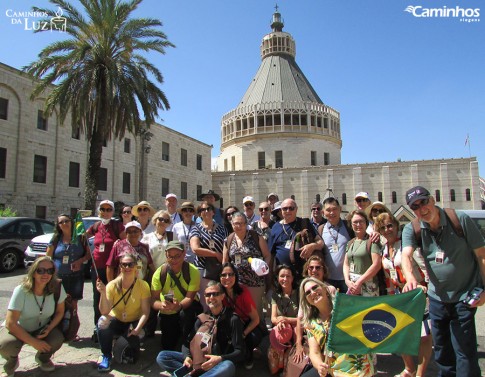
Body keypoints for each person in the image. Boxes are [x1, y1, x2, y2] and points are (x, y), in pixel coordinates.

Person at [401, 186, 485, 377]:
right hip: (437, 299)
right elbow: (406, 255)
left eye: (423, 202)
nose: (422, 209)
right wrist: (411, 277)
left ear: (432, 200)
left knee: (464, 351)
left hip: (464, 296)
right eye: (415, 206)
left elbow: (481, 255)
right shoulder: (412, 228)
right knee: (443, 353)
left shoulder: (459, 220)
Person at [375, 212, 432, 377]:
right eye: (383, 227)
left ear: (396, 225)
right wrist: (391, 296)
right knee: (399, 333)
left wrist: (425, 286)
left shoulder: (407, 245)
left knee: (423, 336)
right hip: (399, 294)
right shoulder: (384, 249)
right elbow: (388, 277)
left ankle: (420, 373)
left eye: (390, 225)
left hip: (417, 292)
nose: (387, 230)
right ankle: (409, 368)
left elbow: (423, 267)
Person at [156, 281, 245, 377]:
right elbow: (186, 343)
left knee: (228, 366)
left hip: (217, 364)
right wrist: (187, 357)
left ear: (222, 296)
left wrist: (220, 358)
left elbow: (240, 352)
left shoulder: (232, 319)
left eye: (215, 294)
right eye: (208, 295)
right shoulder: (202, 318)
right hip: (197, 360)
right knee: (163, 356)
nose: (211, 297)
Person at [0, 257, 66, 376]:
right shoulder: (21, 290)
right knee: (6, 344)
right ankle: (12, 362)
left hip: (42, 328)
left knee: (57, 338)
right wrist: (34, 342)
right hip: (18, 328)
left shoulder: (57, 287)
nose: (45, 274)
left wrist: (49, 328)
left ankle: (43, 358)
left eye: (50, 271)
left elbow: (60, 312)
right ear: (34, 272)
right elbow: (11, 323)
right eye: (41, 270)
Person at [299, 277, 374, 377]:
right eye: (308, 293)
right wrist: (319, 365)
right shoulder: (311, 324)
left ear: (325, 289)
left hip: (358, 368)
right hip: (334, 371)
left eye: (315, 287)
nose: (312, 292)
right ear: (307, 300)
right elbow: (314, 352)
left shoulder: (344, 306)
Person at [95, 253, 151, 372]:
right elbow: (104, 311)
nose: (127, 267)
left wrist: (137, 329)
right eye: (123, 265)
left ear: (136, 266)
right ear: (120, 267)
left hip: (133, 323)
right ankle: (106, 355)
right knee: (102, 322)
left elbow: (145, 312)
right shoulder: (112, 285)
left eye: (130, 264)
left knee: (133, 352)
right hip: (117, 320)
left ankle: (122, 342)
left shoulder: (143, 285)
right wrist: (103, 293)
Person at [86, 200, 125, 342]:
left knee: (113, 298)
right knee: (98, 298)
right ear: (99, 211)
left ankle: (114, 328)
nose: (106, 212)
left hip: (113, 270)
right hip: (97, 269)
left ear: (113, 212)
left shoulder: (117, 226)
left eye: (109, 209)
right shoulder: (96, 226)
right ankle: (98, 328)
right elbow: (84, 237)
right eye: (103, 209)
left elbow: (124, 244)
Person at [151, 241, 202, 351]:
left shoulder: (192, 271)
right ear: (166, 255)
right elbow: (153, 300)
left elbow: (190, 297)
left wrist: (178, 306)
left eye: (177, 256)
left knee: (185, 315)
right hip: (167, 310)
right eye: (171, 257)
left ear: (184, 254)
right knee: (167, 345)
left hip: (186, 308)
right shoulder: (160, 273)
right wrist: (162, 305)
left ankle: (187, 343)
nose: (174, 260)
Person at [222, 212, 271, 319]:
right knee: (239, 312)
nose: (239, 226)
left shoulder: (256, 237)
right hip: (236, 283)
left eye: (241, 223)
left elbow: (267, 255)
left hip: (255, 282)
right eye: (236, 223)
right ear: (231, 224)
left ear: (246, 224)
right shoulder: (228, 240)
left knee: (255, 312)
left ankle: (258, 334)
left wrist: (264, 267)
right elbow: (225, 261)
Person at [220, 263, 263, 370]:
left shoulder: (243, 292)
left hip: (245, 324)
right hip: (229, 325)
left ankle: (249, 355)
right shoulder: (218, 293)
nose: (227, 278)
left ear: (236, 276)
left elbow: (255, 319)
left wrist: (243, 334)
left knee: (252, 338)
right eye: (224, 275)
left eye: (231, 274)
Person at [46, 214, 91, 313]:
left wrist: (79, 261)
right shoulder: (56, 239)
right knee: (58, 302)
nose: (64, 223)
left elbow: (89, 254)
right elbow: (48, 258)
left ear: (72, 222)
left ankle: (71, 324)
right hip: (58, 277)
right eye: (61, 222)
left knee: (73, 303)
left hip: (76, 276)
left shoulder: (81, 238)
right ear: (58, 225)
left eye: (66, 221)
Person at [268, 198, 323, 277]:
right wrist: (270, 278)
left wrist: (312, 246)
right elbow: (271, 255)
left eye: (291, 208)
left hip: (304, 274)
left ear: (296, 209)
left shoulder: (305, 223)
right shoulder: (275, 227)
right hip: (284, 277)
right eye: (285, 209)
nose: (288, 211)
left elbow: (321, 243)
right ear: (281, 211)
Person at [190, 201, 228, 311]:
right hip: (203, 269)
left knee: (220, 296)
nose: (206, 211)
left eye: (208, 209)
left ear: (213, 212)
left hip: (219, 267)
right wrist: (215, 254)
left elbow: (226, 246)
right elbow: (195, 249)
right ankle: (207, 321)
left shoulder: (222, 228)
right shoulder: (196, 228)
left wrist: (224, 262)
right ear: (199, 214)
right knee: (206, 297)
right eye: (202, 210)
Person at [319, 197, 354, 293]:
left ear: (340, 209)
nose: (332, 213)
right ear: (323, 212)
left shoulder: (349, 226)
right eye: (328, 210)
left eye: (334, 209)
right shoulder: (321, 229)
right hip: (329, 279)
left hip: (348, 279)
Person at [343, 210, 383, 296]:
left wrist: (360, 281)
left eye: (361, 221)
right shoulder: (350, 243)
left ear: (366, 223)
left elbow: (377, 265)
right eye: (355, 222)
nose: (358, 225)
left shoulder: (372, 241)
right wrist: (347, 281)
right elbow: (346, 264)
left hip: (368, 287)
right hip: (353, 286)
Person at [269, 265, 299, 373]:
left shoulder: (299, 294)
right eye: (282, 276)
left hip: (296, 330)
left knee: (291, 356)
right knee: (273, 359)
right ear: (277, 278)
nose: (285, 279)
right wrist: (280, 321)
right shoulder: (275, 295)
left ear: (292, 278)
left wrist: (286, 319)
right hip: (282, 329)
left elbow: (303, 319)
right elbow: (273, 318)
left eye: (288, 276)